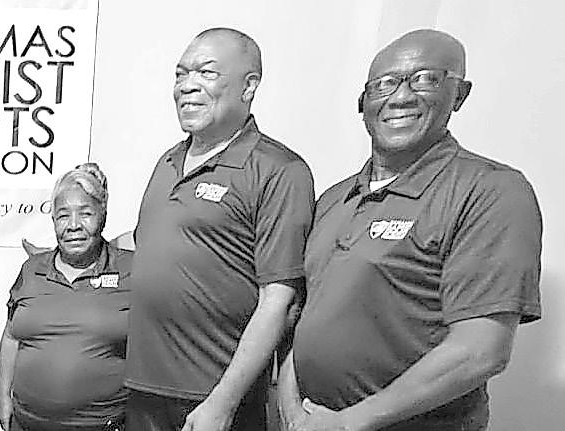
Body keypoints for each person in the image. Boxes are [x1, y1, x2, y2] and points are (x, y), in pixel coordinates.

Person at [279, 29, 542, 431]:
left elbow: (481, 350)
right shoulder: (334, 198)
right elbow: (305, 319)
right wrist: (292, 411)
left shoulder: (490, 191)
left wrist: (348, 423)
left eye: (425, 79)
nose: (401, 97)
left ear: (459, 94)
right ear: (363, 102)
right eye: (384, 84)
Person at [125, 27, 315, 431]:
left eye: (206, 73)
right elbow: (151, 243)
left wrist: (223, 402)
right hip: (144, 390)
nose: (187, 86)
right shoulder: (168, 161)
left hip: (212, 398)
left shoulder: (279, 170)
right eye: (180, 74)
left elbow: (279, 301)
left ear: (249, 86)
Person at [0, 164, 132, 431]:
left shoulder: (131, 270)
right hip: (26, 423)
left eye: (86, 214)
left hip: (102, 425)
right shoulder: (32, 269)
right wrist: (2, 397)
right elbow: (11, 336)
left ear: (103, 216)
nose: (73, 225)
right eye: (63, 216)